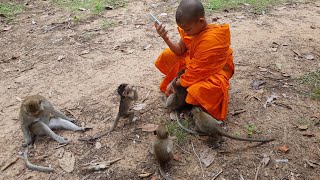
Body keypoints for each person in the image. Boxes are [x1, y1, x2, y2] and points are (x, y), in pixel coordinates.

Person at [154, 0, 234, 121]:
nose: (185, 33)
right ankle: (185, 93)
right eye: (183, 29)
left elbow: (195, 73)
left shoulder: (212, 40)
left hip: (213, 72)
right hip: (194, 65)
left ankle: (193, 100)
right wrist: (166, 38)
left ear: (201, 21)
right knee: (167, 55)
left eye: (188, 29)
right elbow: (180, 50)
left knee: (197, 90)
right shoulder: (193, 29)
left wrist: (174, 82)